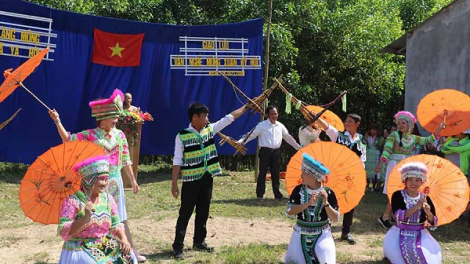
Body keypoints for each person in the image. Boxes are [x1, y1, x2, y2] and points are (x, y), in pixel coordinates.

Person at [48, 89, 146, 261]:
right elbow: (68, 140)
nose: (116, 120)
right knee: (95, 214)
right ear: (103, 119)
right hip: (94, 180)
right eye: (113, 117)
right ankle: (98, 246)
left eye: (117, 117)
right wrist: (57, 121)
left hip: (115, 180)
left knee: (120, 218)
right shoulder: (90, 135)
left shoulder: (120, 135)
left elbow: (126, 160)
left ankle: (129, 247)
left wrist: (132, 180)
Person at [171, 102, 248, 259]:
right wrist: (174, 183)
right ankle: (178, 246)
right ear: (195, 117)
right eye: (204, 116)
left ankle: (199, 241)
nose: (207, 119)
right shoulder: (182, 136)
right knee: (185, 213)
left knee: (203, 211)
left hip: (207, 177)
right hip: (191, 180)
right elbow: (177, 161)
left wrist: (246, 106)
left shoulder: (209, 129)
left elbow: (229, 118)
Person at [58, 155, 137, 264]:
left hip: (103, 244)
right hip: (79, 247)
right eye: (101, 179)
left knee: (129, 257)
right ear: (90, 180)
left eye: (106, 179)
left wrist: (124, 239)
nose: (105, 183)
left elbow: (116, 223)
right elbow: (64, 230)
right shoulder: (72, 201)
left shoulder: (108, 199)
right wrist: (85, 217)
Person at [376, 111, 443, 230]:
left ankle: (392, 214)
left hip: (406, 167)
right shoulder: (394, 135)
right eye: (399, 123)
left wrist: (439, 128)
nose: (400, 125)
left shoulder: (414, 138)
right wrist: (381, 163)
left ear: (410, 125)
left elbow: (428, 139)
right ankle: (385, 216)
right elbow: (387, 150)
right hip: (394, 165)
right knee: (393, 191)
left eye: (403, 123)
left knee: (402, 191)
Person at [285, 153, 340, 264]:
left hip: (322, 233)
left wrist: (326, 203)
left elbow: (335, 218)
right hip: (300, 233)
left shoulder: (328, 193)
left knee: (327, 260)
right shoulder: (298, 190)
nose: (301, 176)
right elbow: (289, 211)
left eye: (304, 173)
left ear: (313, 175)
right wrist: (308, 203)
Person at [383, 162, 442, 264]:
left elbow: (433, 223)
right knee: (400, 259)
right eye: (410, 179)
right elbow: (398, 216)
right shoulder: (397, 195)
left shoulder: (425, 198)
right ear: (405, 181)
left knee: (429, 258)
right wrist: (417, 206)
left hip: (420, 233)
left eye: (417, 180)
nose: (413, 183)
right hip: (399, 232)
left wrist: (429, 213)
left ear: (422, 182)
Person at [240, 105, 301, 200]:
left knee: (276, 174)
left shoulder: (280, 125)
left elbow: (287, 137)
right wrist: (241, 142)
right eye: (272, 114)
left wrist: (298, 147)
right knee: (262, 173)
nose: (274, 116)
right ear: (268, 115)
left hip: (276, 152)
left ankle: (277, 194)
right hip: (265, 152)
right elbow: (252, 135)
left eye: (275, 113)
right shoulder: (262, 125)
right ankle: (260, 194)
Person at [323, 113, 365, 244]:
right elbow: (327, 127)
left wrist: (360, 175)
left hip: (351, 176)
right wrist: (316, 118)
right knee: (331, 200)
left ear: (357, 124)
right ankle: (326, 229)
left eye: (350, 122)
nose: (346, 124)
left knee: (350, 203)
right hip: (336, 174)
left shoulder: (361, 142)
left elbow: (362, 161)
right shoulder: (339, 136)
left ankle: (346, 232)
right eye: (346, 121)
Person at [364, 124, 384, 192]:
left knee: (376, 170)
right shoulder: (367, 137)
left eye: (375, 130)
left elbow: (380, 146)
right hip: (368, 155)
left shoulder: (379, 138)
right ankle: (367, 185)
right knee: (367, 170)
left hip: (376, 155)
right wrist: (366, 140)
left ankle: (374, 185)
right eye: (372, 129)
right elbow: (364, 145)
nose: (373, 131)